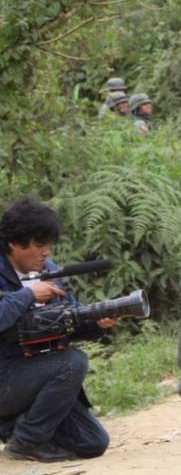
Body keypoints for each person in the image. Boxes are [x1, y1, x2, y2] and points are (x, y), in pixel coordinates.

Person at [0, 198, 116, 462]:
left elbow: (68, 323)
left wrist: (97, 324)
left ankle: (12, 427)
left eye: (50, 246)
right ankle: (25, 441)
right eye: (39, 245)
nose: (46, 253)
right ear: (14, 243)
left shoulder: (49, 272)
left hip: (36, 373)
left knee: (93, 442)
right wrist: (27, 296)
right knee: (73, 362)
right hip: (5, 374)